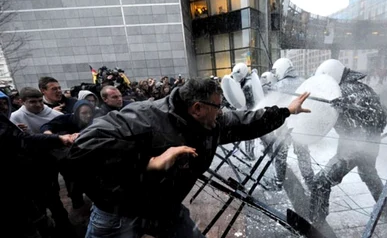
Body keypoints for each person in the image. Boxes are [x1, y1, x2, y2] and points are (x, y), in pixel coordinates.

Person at [65, 78, 311, 238]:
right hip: (120, 211)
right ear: (197, 107)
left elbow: (246, 122)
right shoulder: (144, 117)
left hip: (164, 207)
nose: (222, 111)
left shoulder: (212, 122)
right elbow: (84, 148)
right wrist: (148, 161)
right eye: (218, 105)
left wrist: (285, 111)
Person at [309, 59, 387, 225]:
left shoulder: (343, 91)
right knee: (369, 174)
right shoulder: (364, 88)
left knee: (321, 182)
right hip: (371, 144)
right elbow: (382, 119)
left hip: (353, 148)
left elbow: (343, 122)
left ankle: (316, 223)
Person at [1, 91, 77, 238]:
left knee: (54, 202)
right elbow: (23, 140)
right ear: (22, 101)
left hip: (44, 166)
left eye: (5, 103)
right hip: (20, 178)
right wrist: (58, 138)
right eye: (32, 102)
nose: (4, 108)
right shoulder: (13, 119)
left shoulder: (7, 123)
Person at [268, 58, 315, 191]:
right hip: (301, 126)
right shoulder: (304, 82)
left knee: (280, 155)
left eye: (276, 71)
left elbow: (273, 106)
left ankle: (278, 182)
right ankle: (310, 181)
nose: (276, 75)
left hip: (284, 127)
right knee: (303, 154)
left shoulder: (279, 85)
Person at [231, 63, 258, 160]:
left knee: (249, 135)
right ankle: (249, 153)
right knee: (250, 136)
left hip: (249, 113)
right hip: (250, 112)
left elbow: (244, 101)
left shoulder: (247, 85)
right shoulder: (249, 81)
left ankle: (249, 155)